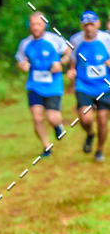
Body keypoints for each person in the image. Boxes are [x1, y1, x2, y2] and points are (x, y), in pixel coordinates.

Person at [15, 12, 70, 156]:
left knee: (52, 117)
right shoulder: (25, 43)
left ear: (44, 24)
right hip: (34, 85)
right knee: (37, 117)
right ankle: (47, 147)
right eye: (33, 24)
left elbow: (69, 52)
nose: (35, 27)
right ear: (29, 26)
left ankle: (58, 125)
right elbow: (20, 60)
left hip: (53, 85)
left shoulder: (55, 39)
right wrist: (23, 65)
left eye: (38, 24)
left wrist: (61, 63)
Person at [68, 11, 110, 162]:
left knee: (102, 120)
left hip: (104, 87)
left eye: (92, 24)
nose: (89, 28)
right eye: (86, 25)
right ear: (82, 26)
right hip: (83, 85)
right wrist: (71, 71)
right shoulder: (75, 40)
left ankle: (99, 150)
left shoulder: (106, 39)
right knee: (86, 119)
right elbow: (73, 61)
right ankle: (90, 133)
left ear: (98, 24)